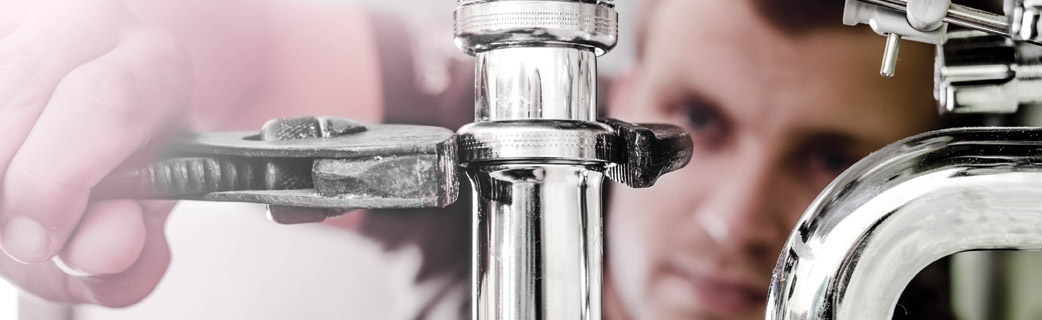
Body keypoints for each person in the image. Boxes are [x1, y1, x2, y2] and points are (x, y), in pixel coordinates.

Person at [0, 0, 954, 318]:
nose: (733, 219)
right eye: (697, 118)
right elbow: (230, 46)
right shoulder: (499, 153)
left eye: (832, 158)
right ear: (619, 98)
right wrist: (118, 47)